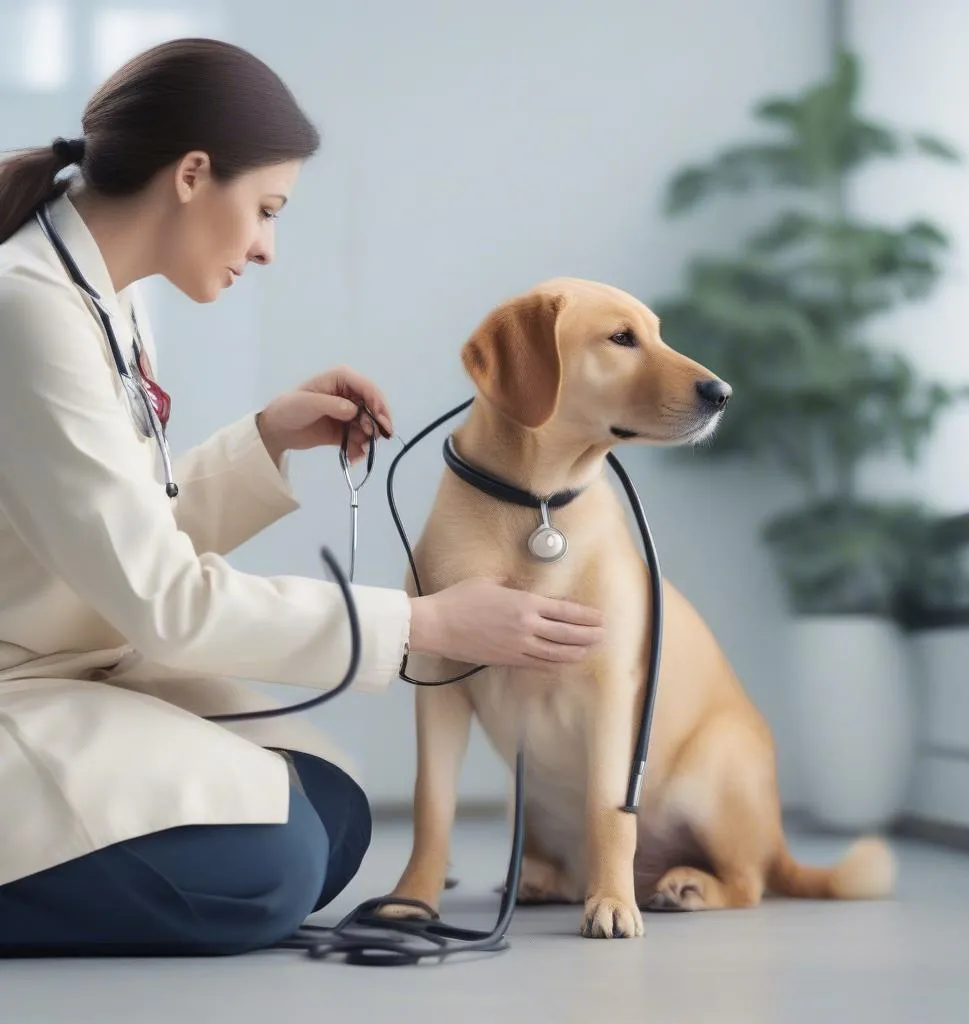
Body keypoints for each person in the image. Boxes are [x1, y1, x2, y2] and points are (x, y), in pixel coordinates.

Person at [0, 37, 605, 957]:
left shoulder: (98, 297)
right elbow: (165, 601)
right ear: (193, 174)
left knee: (331, 813)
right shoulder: (31, 309)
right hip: (26, 682)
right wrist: (427, 626)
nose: (268, 248)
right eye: (266, 211)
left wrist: (266, 439)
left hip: (70, 658)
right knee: (276, 863)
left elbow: (104, 538)